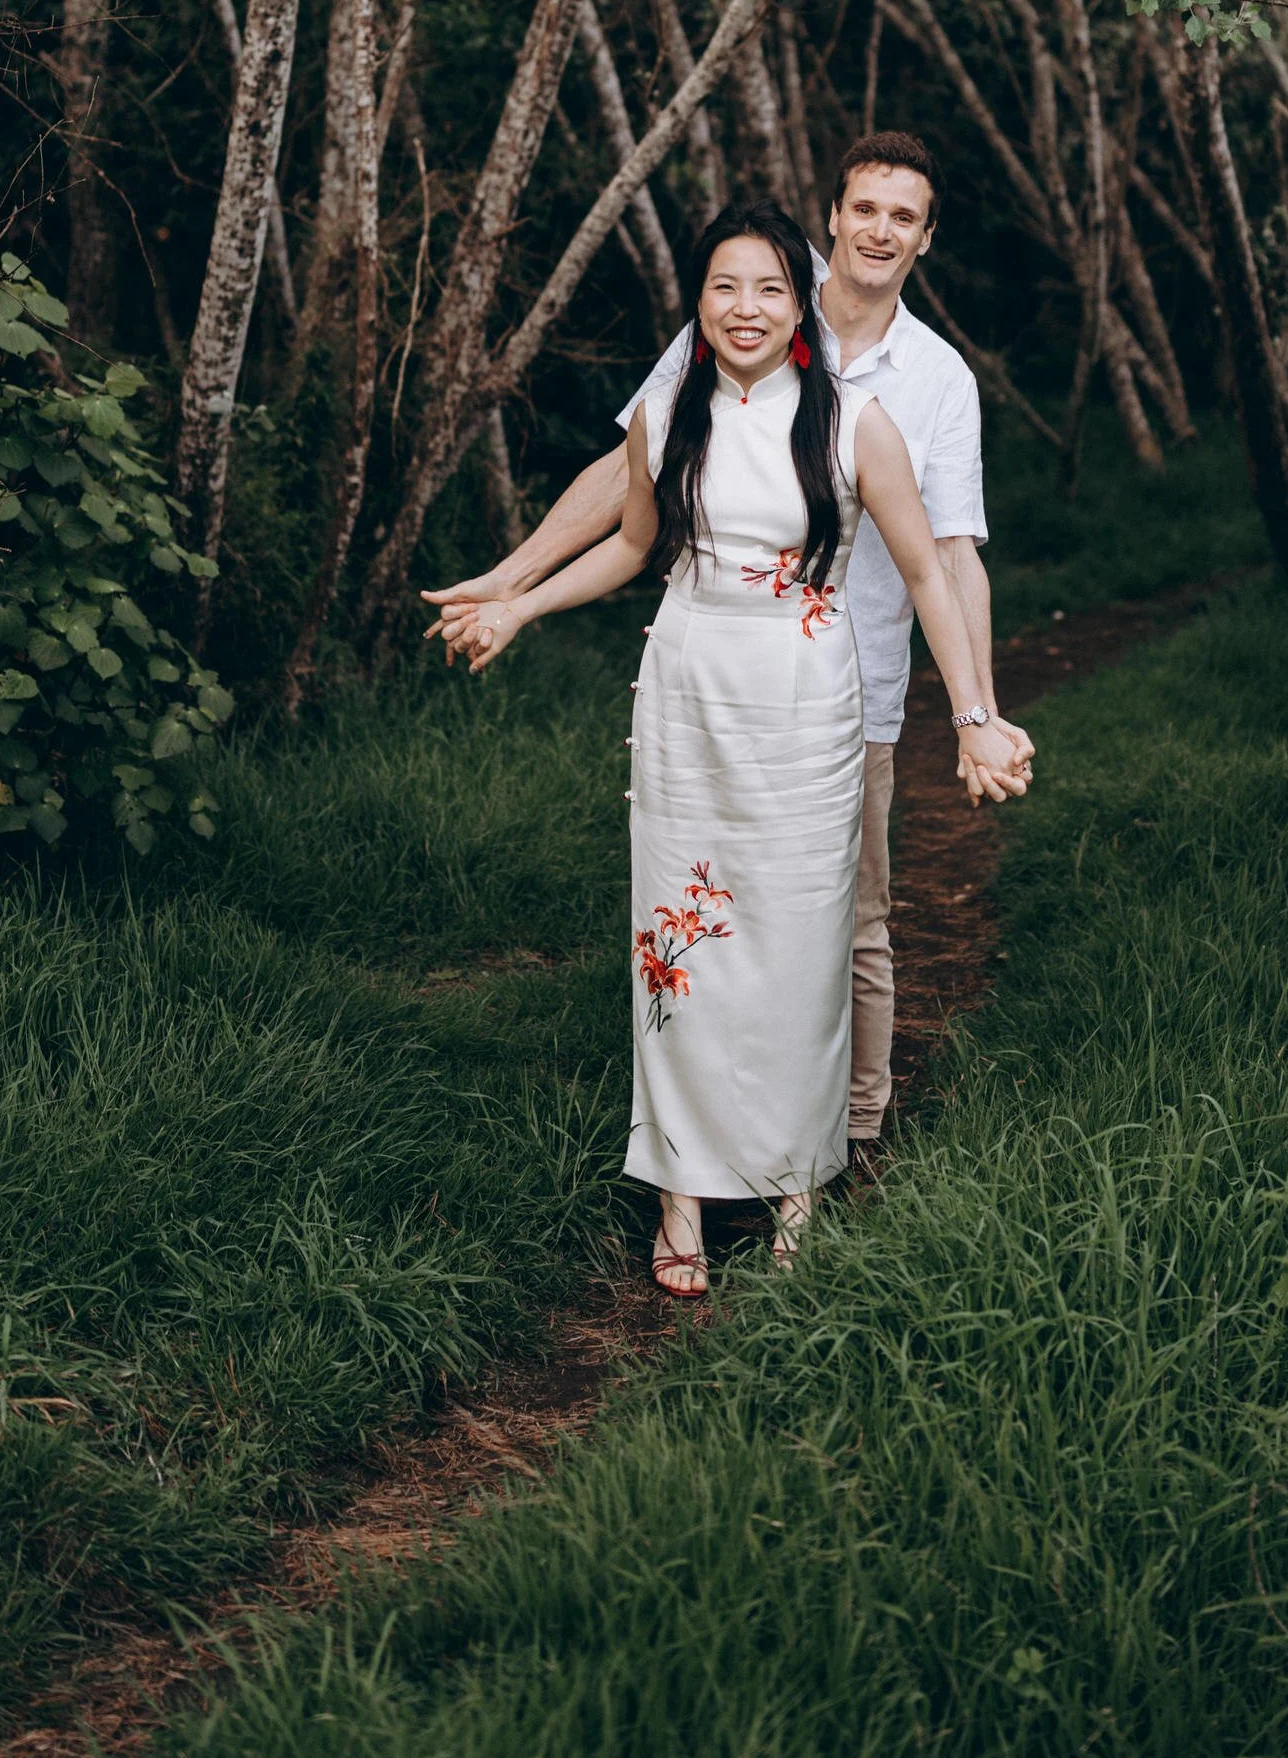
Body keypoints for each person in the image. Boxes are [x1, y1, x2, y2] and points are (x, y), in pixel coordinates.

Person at [437, 200, 1031, 1296]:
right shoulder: (667, 420)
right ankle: (680, 1196)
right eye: (723, 288)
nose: (744, 308)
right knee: (682, 940)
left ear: (793, 303)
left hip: (808, 707)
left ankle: (798, 1185)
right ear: (697, 304)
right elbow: (627, 546)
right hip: (687, 696)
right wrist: (515, 604)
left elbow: (926, 573)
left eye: (766, 288)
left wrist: (972, 714)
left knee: (798, 946)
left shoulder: (855, 422)